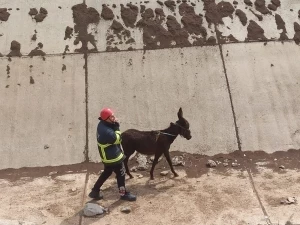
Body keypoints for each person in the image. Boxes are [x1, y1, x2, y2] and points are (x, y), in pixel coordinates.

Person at [88, 108, 136, 201]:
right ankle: (123, 194)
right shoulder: (107, 132)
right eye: (112, 117)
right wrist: (117, 127)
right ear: (106, 119)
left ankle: (95, 191)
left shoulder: (102, 124)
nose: (114, 118)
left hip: (107, 156)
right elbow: (118, 139)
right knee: (121, 173)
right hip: (113, 158)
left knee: (107, 172)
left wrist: (113, 124)